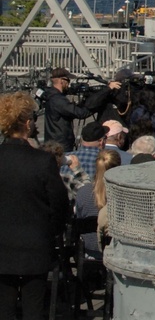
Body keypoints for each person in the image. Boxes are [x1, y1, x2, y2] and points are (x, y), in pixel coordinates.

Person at [0, 92, 70, 320]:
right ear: (28, 123)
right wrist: (50, 232)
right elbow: (60, 204)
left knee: (4, 309)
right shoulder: (42, 161)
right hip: (35, 245)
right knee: (34, 308)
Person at [41, 67, 108, 151]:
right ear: (62, 80)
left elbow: (70, 111)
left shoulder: (51, 95)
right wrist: (95, 103)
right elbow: (80, 113)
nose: (69, 85)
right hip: (61, 145)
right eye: (68, 81)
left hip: (54, 141)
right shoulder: (58, 99)